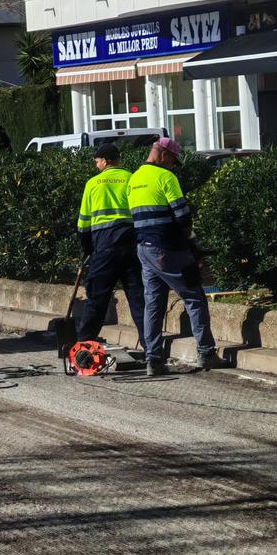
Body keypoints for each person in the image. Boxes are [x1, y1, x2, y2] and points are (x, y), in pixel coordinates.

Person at [128, 137, 228, 376]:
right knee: (194, 297)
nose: (173, 165)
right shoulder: (166, 177)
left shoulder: (134, 179)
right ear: (163, 154)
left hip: (144, 249)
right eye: (173, 160)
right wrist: (193, 245)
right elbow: (182, 216)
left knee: (153, 304)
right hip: (167, 248)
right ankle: (206, 352)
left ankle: (153, 359)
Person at [75, 143, 145, 346]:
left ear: (105, 161)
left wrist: (88, 250)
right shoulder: (131, 179)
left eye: (97, 162)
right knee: (138, 299)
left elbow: (83, 225)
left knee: (96, 299)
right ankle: (151, 350)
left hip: (104, 248)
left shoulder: (93, 184)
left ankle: (85, 347)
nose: (96, 166)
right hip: (131, 246)